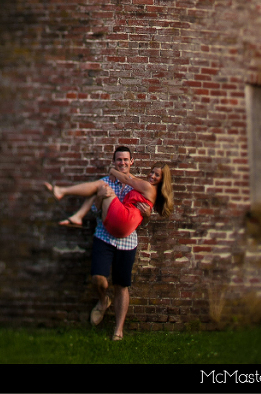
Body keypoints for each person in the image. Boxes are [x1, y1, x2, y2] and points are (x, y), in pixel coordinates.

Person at [46, 145, 173, 341]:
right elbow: (98, 211)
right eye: (118, 160)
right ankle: (103, 300)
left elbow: (140, 216)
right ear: (114, 161)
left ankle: (118, 330)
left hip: (127, 241)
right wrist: (100, 201)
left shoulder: (136, 184)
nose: (122, 163)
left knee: (122, 285)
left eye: (125, 160)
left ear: (132, 162)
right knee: (99, 279)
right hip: (105, 235)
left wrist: (146, 217)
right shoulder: (107, 182)